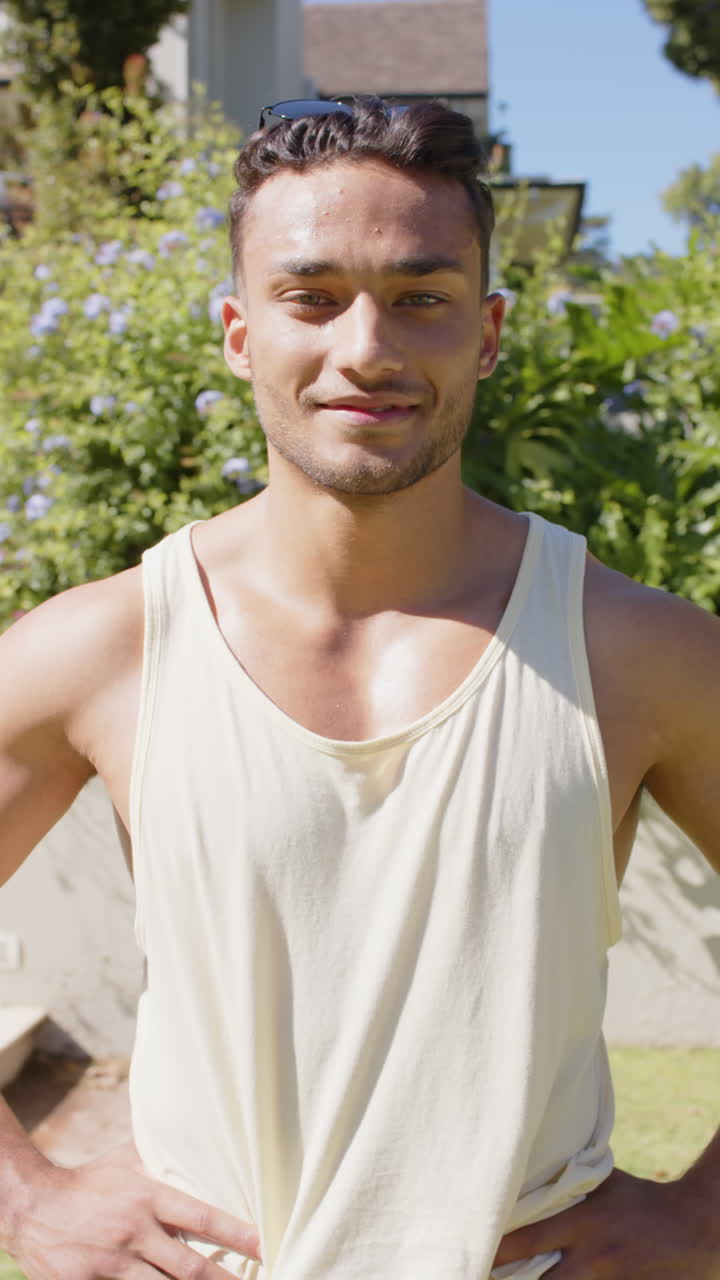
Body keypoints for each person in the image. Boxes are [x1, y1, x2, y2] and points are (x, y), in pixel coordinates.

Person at [0, 97, 718, 1280]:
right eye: (312, 295)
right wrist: (30, 1199)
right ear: (239, 332)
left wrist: (703, 1213)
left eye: (421, 297)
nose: (367, 347)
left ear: (486, 333)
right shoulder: (107, 645)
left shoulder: (633, 648)